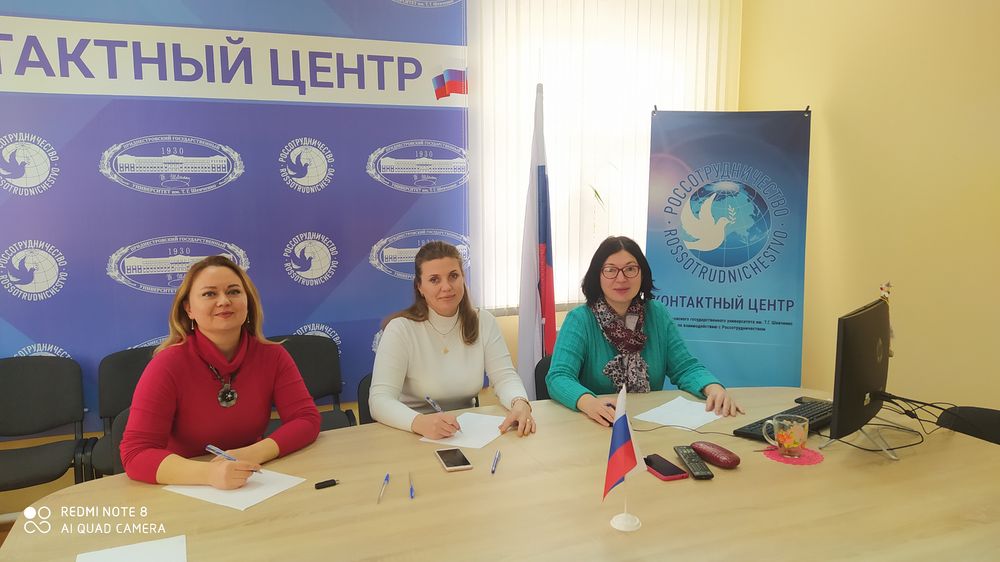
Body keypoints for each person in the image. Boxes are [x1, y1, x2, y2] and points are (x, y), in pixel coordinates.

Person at [120, 255, 320, 489]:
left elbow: (306, 419)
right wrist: (209, 474)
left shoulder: (273, 356)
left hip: (250, 479)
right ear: (189, 309)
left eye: (234, 291)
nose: (224, 301)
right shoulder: (167, 365)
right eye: (209, 294)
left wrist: (253, 453)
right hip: (185, 485)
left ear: (248, 302)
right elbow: (135, 453)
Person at [546, 236, 744, 426]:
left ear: (642, 274)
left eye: (630, 269)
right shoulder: (579, 319)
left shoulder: (656, 314)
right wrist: (589, 403)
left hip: (647, 421)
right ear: (597, 276)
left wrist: (713, 388)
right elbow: (559, 376)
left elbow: (685, 368)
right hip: (596, 423)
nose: (621, 278)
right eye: (610, 270)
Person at [371, 241, 536, 439]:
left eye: (453, 276)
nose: (446, 287)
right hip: (411, 432)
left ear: (462, 278)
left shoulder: (483, 321)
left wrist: (519, 402)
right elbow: (379, 400)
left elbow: (505, 377)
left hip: (465, 432)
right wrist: (419, 422)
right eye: (434, 280)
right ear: (420, 287)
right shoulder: (401, 329)